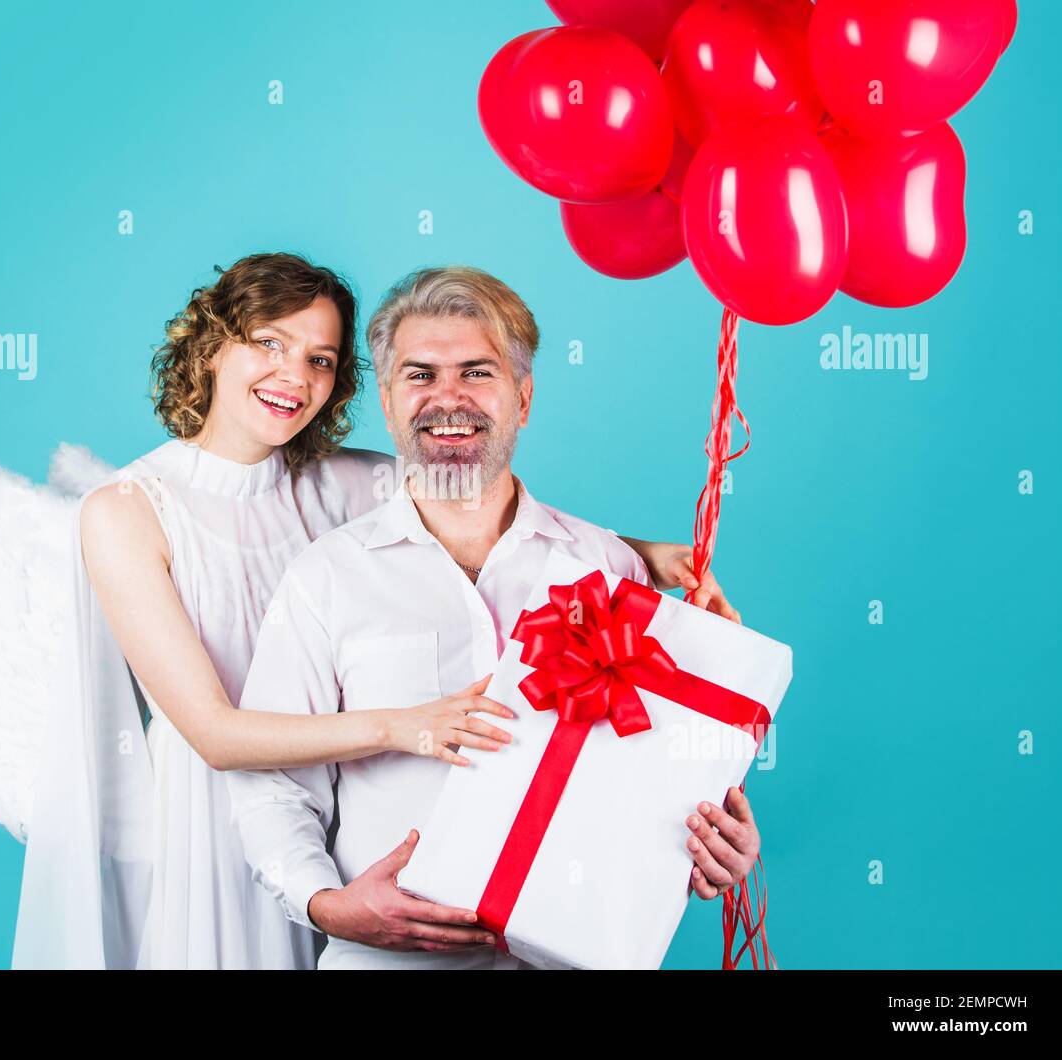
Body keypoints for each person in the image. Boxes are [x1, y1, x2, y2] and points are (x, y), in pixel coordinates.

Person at [13, 252, 737, 970]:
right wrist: (405, 729)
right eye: (269, 342)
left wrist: (645, 558)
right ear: (210, 347)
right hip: (219, 808)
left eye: (320, 359)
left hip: (354, 833)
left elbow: (483, 487)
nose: (294, 376)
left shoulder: (343, 481)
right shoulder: (128, 511)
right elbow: (215, 735)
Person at [226, 266, 761, 969]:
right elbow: (273, 783)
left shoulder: (609, 568)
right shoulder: (327, 577)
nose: (448, 398)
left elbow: (649, 767)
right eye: (420, 375)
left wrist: (712, 840)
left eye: (477, 372)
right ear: (388, 404)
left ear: (524, 397)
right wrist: (326, 903)